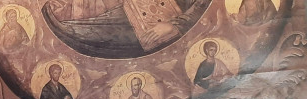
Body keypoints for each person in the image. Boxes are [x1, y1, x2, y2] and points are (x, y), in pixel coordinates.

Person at [41, 0, 209, 58]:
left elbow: (202, 7)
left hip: (160, 21)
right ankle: (65, 27)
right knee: (93, 26)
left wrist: (176, 25)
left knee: (95, 33)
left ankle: (65, 28)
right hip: (137, 9)